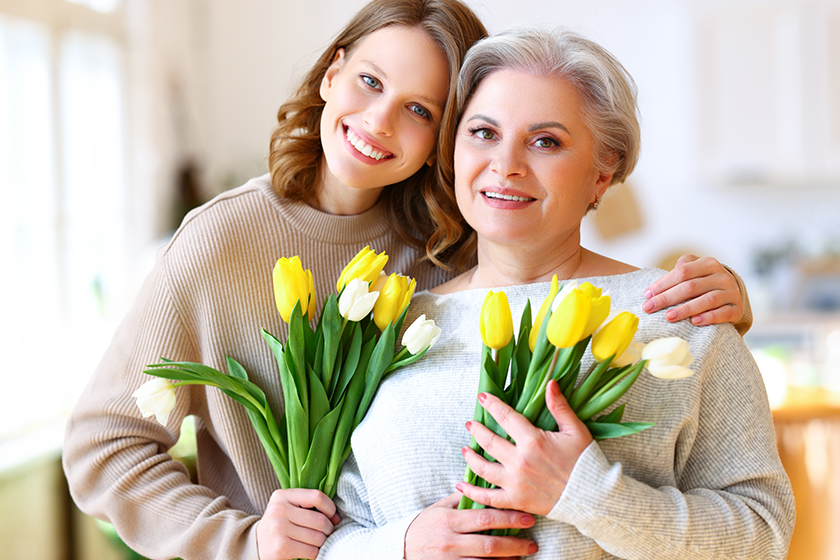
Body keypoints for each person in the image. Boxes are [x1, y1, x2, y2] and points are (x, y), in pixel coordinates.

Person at [62, 1, 753, 558]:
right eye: (369, 81)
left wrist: (717, 310)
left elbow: (546, 270)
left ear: (442, 141)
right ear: (331, 74)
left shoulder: (444, 247)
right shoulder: (222, 242)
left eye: (421, 110)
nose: (380, 120)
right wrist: (243, 542)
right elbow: (105, 444)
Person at [319, 27, 795, 559]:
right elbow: (339, 530)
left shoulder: (678, 316)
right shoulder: (396, 326)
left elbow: (763, 533)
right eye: (483, 132)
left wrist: (586, 493)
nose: (506, 164)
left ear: (602, 172)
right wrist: (401, 547)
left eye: (546, 141)